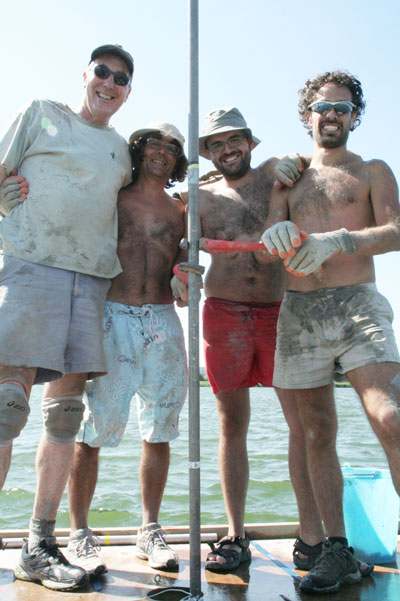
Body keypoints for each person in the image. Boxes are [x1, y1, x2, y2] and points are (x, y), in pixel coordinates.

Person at [260, 70, 400, 594]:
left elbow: (397, 231)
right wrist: (273, 230)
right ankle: (336, 551)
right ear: (307, 116)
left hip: (358, 304)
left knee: (390, 414)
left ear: (355, 116)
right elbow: (268, 229)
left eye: (342, 107)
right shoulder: (287, 176)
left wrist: (337, 240)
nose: (332, 115)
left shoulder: (373, 170)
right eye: (323, 107)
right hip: (299, 310)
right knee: (316, 432)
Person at [0, 43, 133, 591]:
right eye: (101, 71)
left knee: (65, 415)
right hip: (31, 266)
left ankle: (38, 544)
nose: (109, 82)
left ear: (128, 91)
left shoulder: (122, 151)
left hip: (92, 281)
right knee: (8, 407)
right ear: (85, 74)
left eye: (121, 78)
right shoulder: (40, 114)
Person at [174, 107, 327, 574]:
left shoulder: (276, 174)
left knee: (301, 424)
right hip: (223, 312)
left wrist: (296, 163)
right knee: (230, 425)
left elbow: (313, 161)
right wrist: (180, 268)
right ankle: (235, 532)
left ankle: (312, 536)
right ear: (208, 153)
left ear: (250, 142)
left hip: (282, 310)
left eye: (234, 139)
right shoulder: (201, 197)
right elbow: (182, 246)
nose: (226, 149)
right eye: (216, 144)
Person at [66, 122, 188, 576]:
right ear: (138, 150)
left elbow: (183, 268)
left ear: (177, 158)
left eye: (171, 146)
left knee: (159, 429)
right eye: (153, 143)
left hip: (162, 320)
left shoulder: (181, 211)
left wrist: (185, 277)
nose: (162, 150)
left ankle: (149, 529)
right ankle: (79, 532)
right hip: (111, 315)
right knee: (92, 428)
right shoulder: (113, 195)